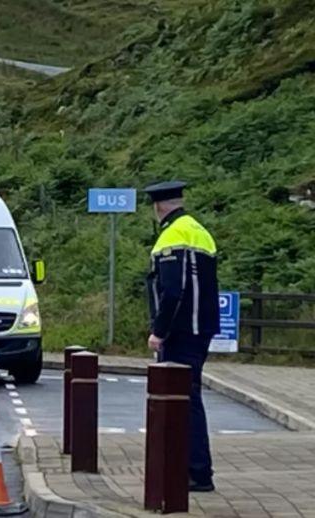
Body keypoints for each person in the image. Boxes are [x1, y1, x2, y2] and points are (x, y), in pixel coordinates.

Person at [144, 180, 219, 493]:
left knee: (184, 401)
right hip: (201, 328)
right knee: (191, 398)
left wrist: (159, 332)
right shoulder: (200, 231)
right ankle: (193, 469)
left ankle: (197, 473)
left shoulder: (171, 236)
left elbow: (173, 291)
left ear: (158, 206)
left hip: (181, 331)